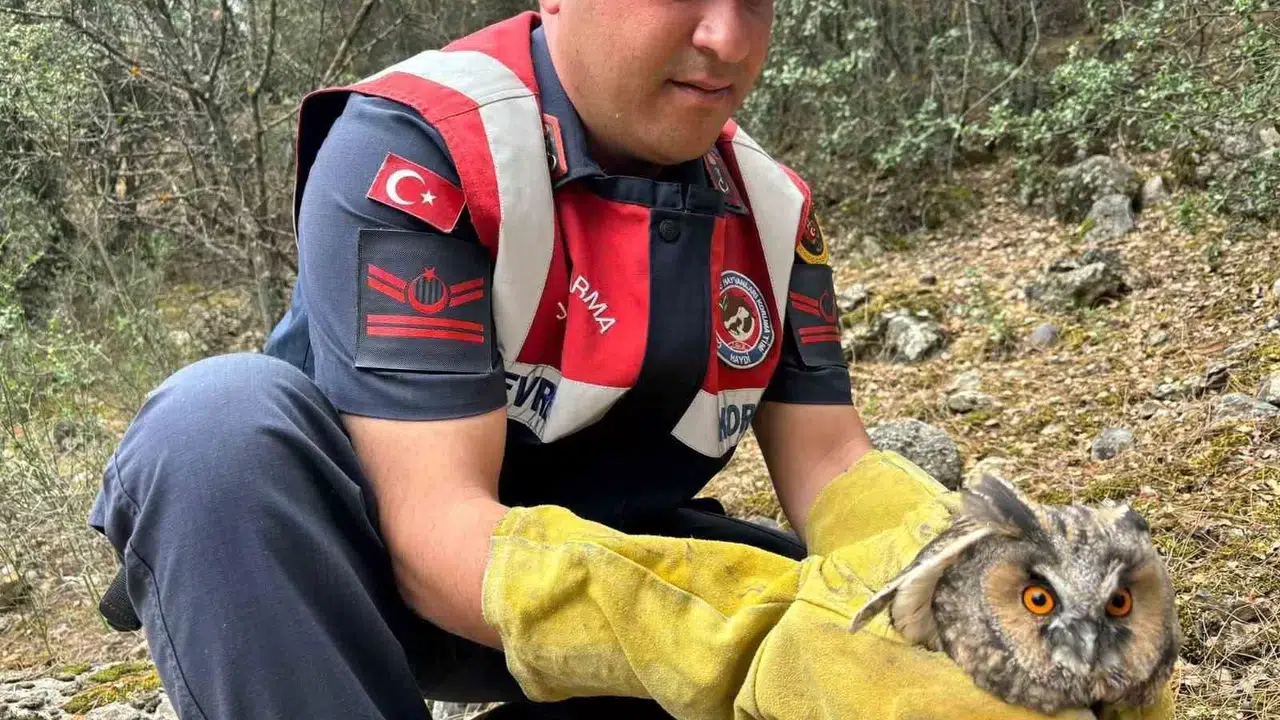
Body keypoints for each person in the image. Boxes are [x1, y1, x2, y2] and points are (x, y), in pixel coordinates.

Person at [87, 3, 1174, 719]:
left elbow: (836, 469)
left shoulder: (771, 210)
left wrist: (973, 598)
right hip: (354, 567)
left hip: (605, 559)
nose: (727, 39)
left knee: (860, 634)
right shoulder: (422, 144)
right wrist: (748, 642)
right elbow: (432, 531)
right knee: (212, 430)